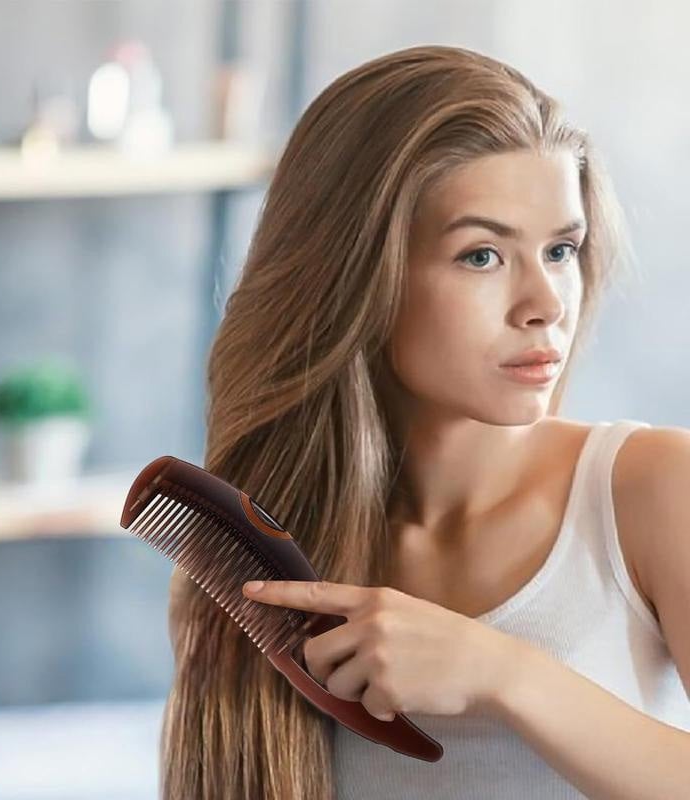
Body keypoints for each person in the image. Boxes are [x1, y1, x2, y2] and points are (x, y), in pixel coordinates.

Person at [161, 44, 690, 799]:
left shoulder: (649, 493)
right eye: (482, 256)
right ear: (354, 276)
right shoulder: (272, 560)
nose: (545, 301)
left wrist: (503, 672)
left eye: (561, 249)